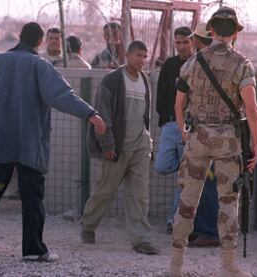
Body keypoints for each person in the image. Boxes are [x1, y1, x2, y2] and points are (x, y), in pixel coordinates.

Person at [0, 22, 106, 262]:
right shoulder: (40, 65)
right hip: (30, 145)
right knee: (32, 196)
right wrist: (90, 114)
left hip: (0, 143)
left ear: (20, 37)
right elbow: (63, 96)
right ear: (39, 42)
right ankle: (33, 249)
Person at [169, 6, 257, 277]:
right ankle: (228, 267)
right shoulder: (242, 64)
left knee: (187, 202)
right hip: (227, 142)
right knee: (228, 203)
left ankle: (175, 266)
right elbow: (252, 108)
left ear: (210, 30)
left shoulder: (193, 62)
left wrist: (183, 129)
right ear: (235, 32)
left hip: (197, 138)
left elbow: (179, 102)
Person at [82, 40, 158, 255]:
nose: (142, 60)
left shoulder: (144, 80)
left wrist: (148, 142)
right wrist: (107, 144)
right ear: (127, 55)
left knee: (139, 194)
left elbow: (145, 116)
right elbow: (102, 114)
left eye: (145, 56)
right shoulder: (113, 80)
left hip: (140, 146)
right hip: (117, 146)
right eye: (138, 56)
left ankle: (141, 240)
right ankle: (88, 226)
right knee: (105, 191)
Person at [155, 27, 193, 234]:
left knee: (185, 179)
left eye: (185, 42)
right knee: (161, 166)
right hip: (171, 124)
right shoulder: (169, 65)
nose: (181, 46)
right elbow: (161, 94)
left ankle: (173, 220)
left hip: (189, 124)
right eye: (178, 43)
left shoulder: (198, 63)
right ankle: (186, 164)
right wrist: (166, 119)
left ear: (192, 42)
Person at [186, 23, 219, 248]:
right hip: (225, 135)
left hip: (203, 133)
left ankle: (207, 231)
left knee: (203, 184)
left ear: (198, 41)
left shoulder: (195, 64)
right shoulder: (233, 62)